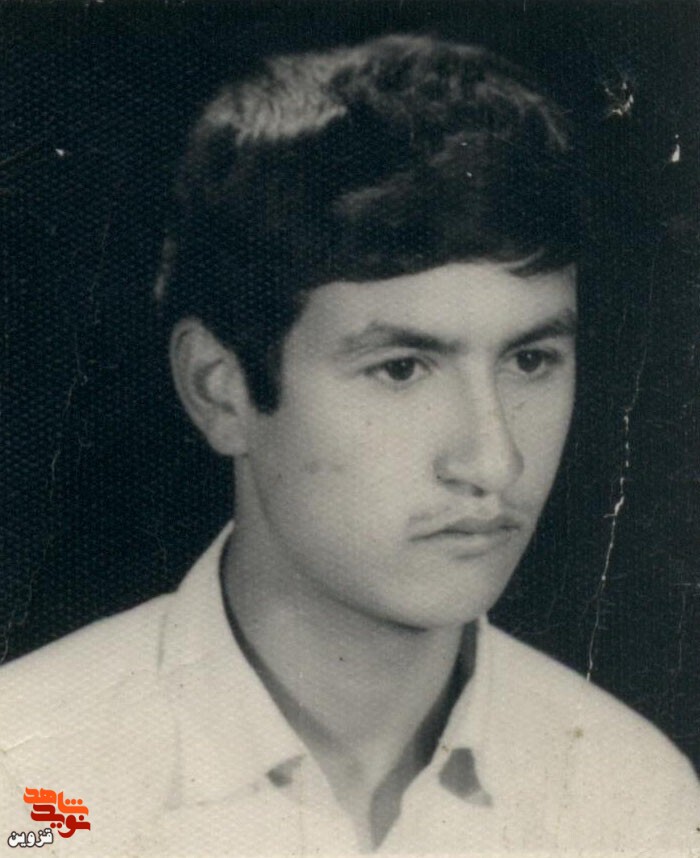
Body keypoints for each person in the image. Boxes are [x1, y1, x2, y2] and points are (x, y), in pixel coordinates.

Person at [0, 34, 697, 856]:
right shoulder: (30, 777)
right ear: (219, 389)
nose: (493, 462)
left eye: (530, 360)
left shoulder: (635, 800)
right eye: (401, 369)